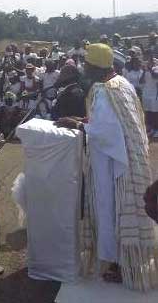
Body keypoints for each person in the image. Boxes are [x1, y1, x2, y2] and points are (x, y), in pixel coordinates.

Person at [56, 43, 158, 290]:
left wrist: (78, 125)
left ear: (95, 67)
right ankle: (122, 260)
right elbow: (113, 120)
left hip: (113, 165)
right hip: (129, 157)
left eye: (87, 64)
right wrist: (85, 120)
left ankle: (121, 265)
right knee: (122, 209)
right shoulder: (121, 83)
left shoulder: (103, 90)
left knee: (112, 208)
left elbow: (107, 131)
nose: (84, 68)